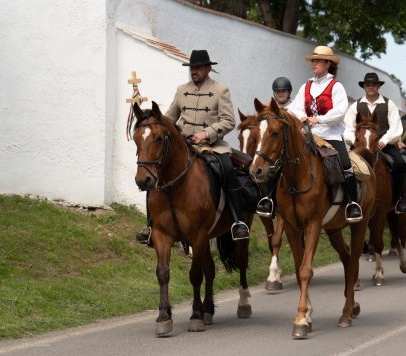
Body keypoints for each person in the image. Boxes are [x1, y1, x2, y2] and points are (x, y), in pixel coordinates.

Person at [135, 49, 250, 245]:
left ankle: (238, 221)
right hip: (185, 146)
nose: (194, 71)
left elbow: (229, 121)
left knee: (227, 169)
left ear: (208, 68)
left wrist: (207, 134)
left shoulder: (220, 90)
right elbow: (169, 118)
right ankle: (151, 225)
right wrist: (155, 125)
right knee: (155, 172)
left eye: (198, 68)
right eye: (192, 68)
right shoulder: (181, 90)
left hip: (212, 146)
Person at [286, 46, 363, 223]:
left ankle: (352, 203)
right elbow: (294, 109)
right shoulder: (306, 86)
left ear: (328, 64)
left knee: (345, 164)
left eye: (318, 60)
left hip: (331, 136)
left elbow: (340, 112)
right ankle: (272, 200)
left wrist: (318, 119)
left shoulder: (336, 87)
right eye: (313, 60)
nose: (314, 63)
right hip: (307, 135)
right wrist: (301, 118)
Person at [343, 73, 406, 214]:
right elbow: (348, 128)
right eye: (368, 84)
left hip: (384, 145)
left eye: (374, 84)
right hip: (360, 146)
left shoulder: (388, 104)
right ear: (364, 86)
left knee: (400, 164)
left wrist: (384, 140)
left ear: (379, 86)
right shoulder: (355, 106)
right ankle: (351, 203)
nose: (371, 87)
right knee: (345, 167)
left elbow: (396, 128)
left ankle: (400, 200)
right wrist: (355, 142)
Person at [255, 76, 293, 218]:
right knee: (271, 170)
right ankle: (268, 200)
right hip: (276, 147)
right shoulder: (269, 109)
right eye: (277, 91)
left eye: (283, 91)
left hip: (291, 148)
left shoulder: (296, 106)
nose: (280, 93)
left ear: (289, 92)